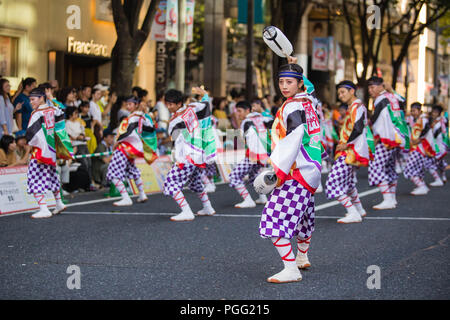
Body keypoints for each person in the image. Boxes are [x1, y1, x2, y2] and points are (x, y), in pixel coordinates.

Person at [258, 58, 323, 283]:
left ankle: (290, 269)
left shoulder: (293, 106)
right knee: (304, 214)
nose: (284, 86)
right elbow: (311, 87)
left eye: (289, 82)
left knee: (273, 218)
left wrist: (277, 173)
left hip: (298, 169)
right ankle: (302, 257)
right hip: (312, 167)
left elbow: (293, 139)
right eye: (281, 82)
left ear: (298, 84)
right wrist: (295, 67)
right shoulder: (309, 100)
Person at [163, 88, 217, 221]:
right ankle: (208, 207)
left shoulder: (175, 120)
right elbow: (206, 104)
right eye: (167, 104)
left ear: (179, 103)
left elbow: (174, 139)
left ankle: (186, 211)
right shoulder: (193, 107)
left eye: (171, 104)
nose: (169, 107)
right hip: (198, 153)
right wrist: (204, 94)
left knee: (171, 182)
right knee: (195, 182)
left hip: (187, 155)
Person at [325, 81, 372, 223]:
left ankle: (353, 212)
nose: (340, 96)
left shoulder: (357, 107)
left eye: (342, 92)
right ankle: (359, 209)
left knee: (332, 183)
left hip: (350, 151)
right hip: (351, 151)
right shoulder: (354, 106)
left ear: (352, 91)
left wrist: (345, 144)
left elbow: (357, 128)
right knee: (349, 183)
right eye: (339, 93)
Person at [25, 87, 74, 218]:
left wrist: (29, 145)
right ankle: (58, 203)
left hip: (40, 151)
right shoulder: (54, 110)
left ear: (41, 98)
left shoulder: (36, 113)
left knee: (34, 178)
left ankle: (44, 208)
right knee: (52, 176)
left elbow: (31, 134)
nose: (31, 102)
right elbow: (62, 112)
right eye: (30, 100)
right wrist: (52, 99)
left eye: (33, 99)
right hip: (51, 150)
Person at [106, 96, 157, 206]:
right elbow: (151, 128)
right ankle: (142, 194)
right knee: (132, 170)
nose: (128, 106)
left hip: (125, 146)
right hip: (134, 148)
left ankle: (126, 198)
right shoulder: (142, 116)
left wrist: (117, 142)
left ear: (136, 104)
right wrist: (145, 112)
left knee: (113, 173)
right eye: (127, 104)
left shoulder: (133, 117)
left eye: (130, 104)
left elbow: (126, 132)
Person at [367, 76, 409, 209]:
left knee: (376, 167)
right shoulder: (392, 97)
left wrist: (377, 136)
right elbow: (403, 102)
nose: (370, 90)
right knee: (390, 167)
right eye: (369, 87)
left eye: (372, 87)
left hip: (386, 139)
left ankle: (388, 199)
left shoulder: (381, 99)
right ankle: (392, 197)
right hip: (397, 137)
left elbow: (380, 119)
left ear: (381, 86)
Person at [228, 100, 272, 208]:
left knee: (234, 176)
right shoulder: (259, 117)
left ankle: (248, 200)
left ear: (247, 110)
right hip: (264, 153)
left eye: (239, 111)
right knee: (254, 176)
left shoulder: (246, 122)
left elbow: (244, 140)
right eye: (236, 111)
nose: (237, 114)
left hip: (254, 155)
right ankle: (262, 198)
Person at [403, 102, 436, 195]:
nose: (413, 112)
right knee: (417, 168)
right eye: (412, 111)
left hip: (420, 148)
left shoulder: (423, 120)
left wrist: (419, 139)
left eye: (414, 111)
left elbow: (426, 130)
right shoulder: (417, 119)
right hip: (417, 148)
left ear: (419, 111)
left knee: (409, 168)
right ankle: (422, 186)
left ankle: (421, 186)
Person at [427, 105, 449, 185]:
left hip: (438, 145)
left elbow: (435, 134)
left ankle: (438, 179)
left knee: (429, 163)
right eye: (433, 112)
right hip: (441, 145)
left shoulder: (440, 121)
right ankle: (443, 177)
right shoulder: (440, 120)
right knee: (440, 162)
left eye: (435, 112)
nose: (433, 114)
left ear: (439, 113)